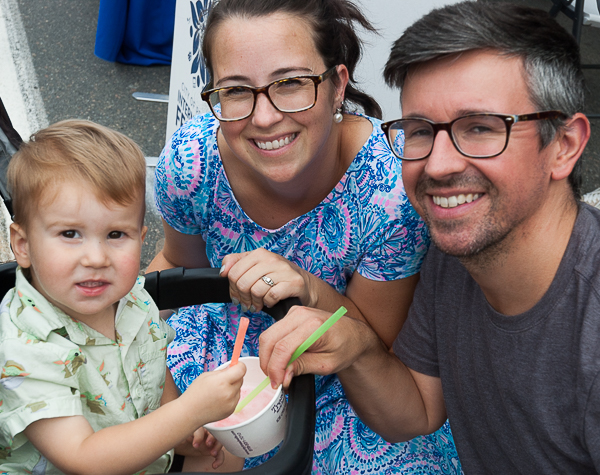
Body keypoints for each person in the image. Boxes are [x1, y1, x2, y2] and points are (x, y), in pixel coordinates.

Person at [258, 1, 600, 473]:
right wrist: (354, 343)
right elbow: (416, 411)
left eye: (479, 128)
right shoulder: (454, 251)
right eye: (419, 131)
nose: (437, 166)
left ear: (563, 146)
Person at [150, 0, 462, 472]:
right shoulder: (191, 161)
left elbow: (375, 345)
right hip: (216, 356)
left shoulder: (391, 189)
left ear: (338, 85)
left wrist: (310, 288)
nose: (265, 117)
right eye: (236, 91)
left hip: (340, 381)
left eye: (291, 83)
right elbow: (176, 268)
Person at [0, 120, 246, 474]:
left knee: (222, 453)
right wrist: (189, 411)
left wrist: (182, 425)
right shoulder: (27, 346)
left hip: (140, 455)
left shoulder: (134, 300)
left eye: (116, 234)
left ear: (141, 238)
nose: (97, 258)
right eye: (70, 233)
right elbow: (84, 458)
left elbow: (156, 372)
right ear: (23, 245)